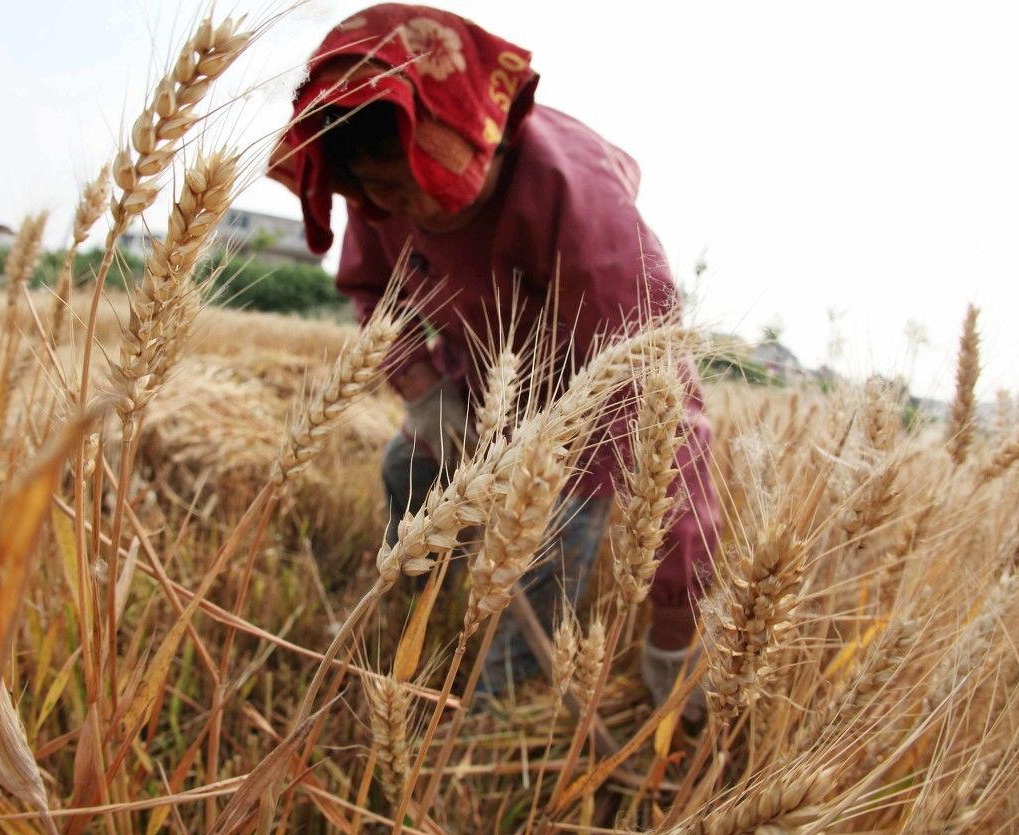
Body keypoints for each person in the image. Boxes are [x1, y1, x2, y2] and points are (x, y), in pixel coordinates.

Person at [269, 3, 720, 706]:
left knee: (539, 568)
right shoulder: (376, 191)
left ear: (474, 141)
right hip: (476, 388)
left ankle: (492, 720)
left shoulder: (580, 206)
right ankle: (412, 603)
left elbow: (667, 413)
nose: (412, 209)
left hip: (585, 426)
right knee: (403, 467)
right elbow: (371, 296)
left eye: (428, 182)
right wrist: (422, 391)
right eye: (384, 190)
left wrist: (674, 618)